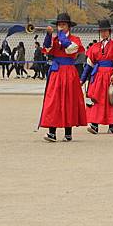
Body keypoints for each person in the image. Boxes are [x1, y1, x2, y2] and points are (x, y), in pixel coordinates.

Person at [40, 12, 87, 142]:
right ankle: (52, 132)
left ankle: (68, 132)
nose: (61, 27)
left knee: (69, 100)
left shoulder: (75, 39)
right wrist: (49, 35)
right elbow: (47, 49)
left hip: (69, 72)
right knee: (53, 101)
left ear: (68, 26)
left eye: (63, 25)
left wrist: (61, 36)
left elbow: (71, 49)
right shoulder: (54, 40)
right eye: (59, 25)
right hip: (56, 72)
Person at [80, 19, 113, 135]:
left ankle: (112, 124)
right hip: (98, 76)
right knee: (96, 99)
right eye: (101, 31)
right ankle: (94, 124)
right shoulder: (94, 47)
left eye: (105, 31)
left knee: (111, 99)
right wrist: (82, 79)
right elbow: (89, 65)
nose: (103, 33)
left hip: (111, 76)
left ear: (109, 32)